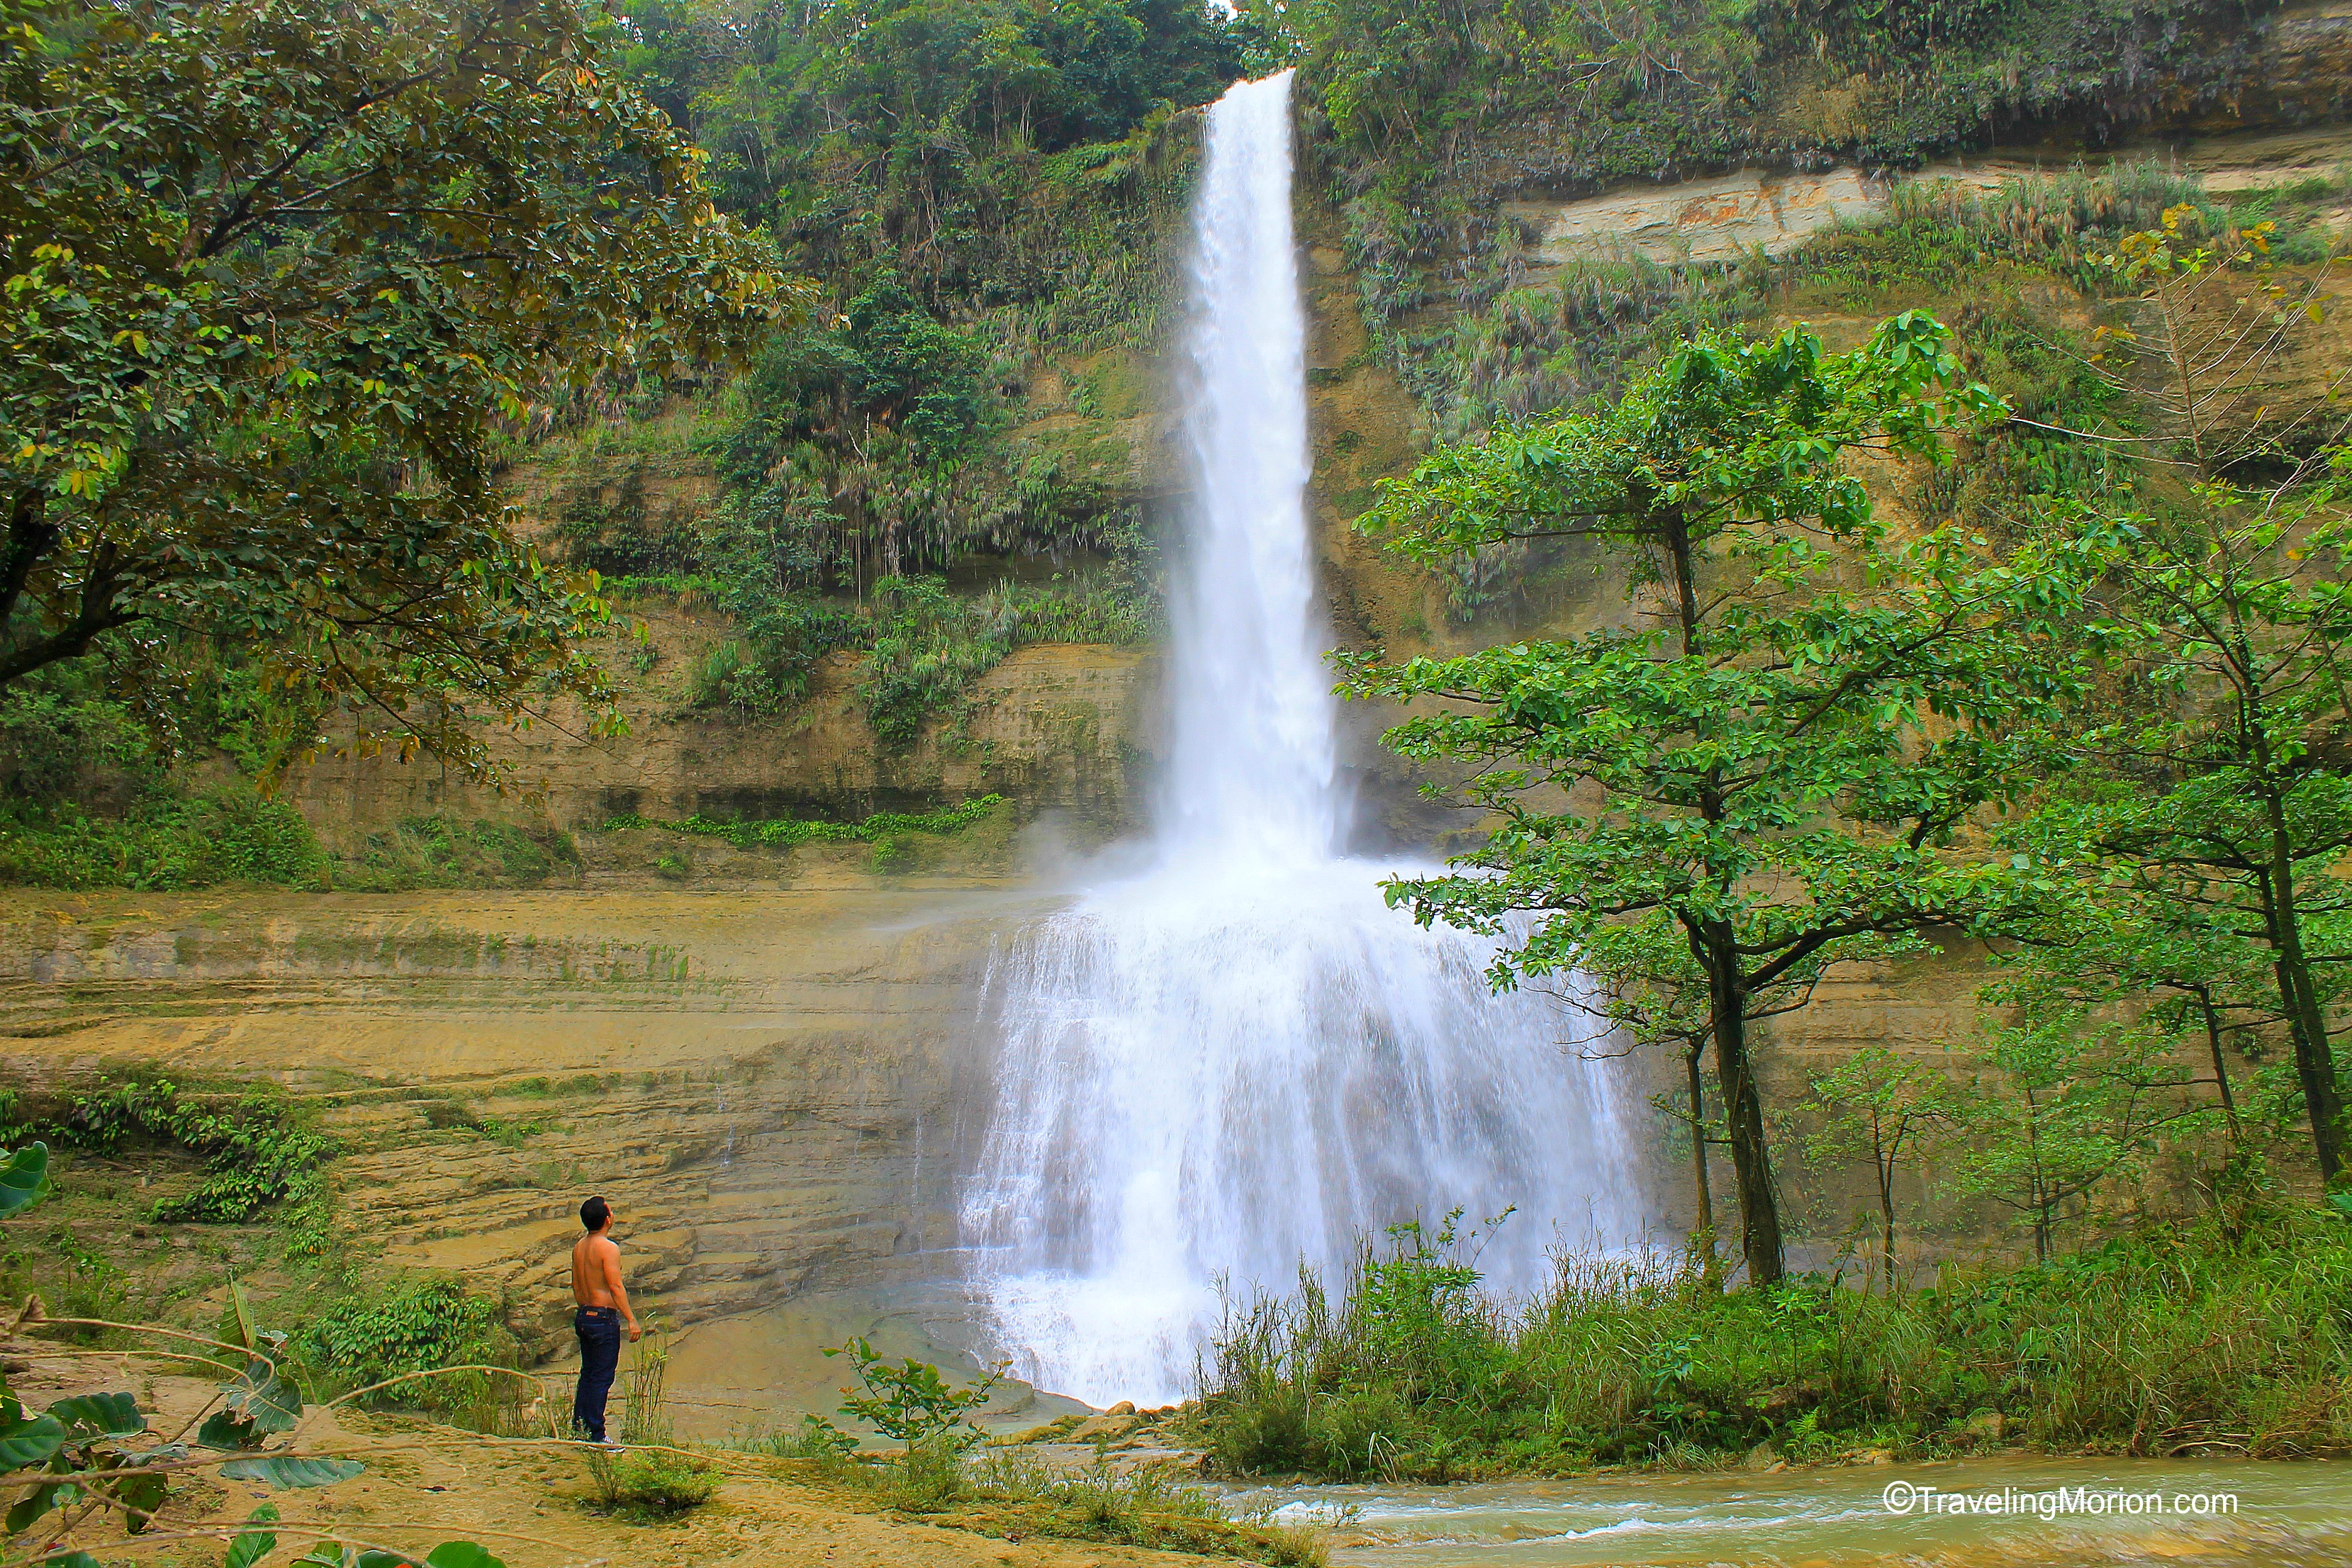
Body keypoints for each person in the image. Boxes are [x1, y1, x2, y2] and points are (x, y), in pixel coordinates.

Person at [569, 1194, 640, 1444]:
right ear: (608, 1218)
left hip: (584, 1315)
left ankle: (580, 1431)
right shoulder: (608, 1248)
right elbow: (615, 1287)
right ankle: (597, 1437)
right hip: (602, 1319)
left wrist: (586, 1311)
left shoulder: (579, 1247)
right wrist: (631, 1319)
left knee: (588, 1375)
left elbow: (576, 1285)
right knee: (601, 1378)